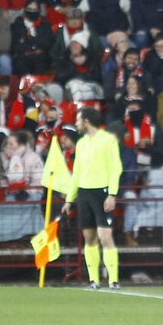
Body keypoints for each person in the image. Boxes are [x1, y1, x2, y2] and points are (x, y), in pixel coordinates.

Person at [66, 108, 124, 290]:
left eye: (78, 120)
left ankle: (113, 280)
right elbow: (77, 173)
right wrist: (70, 198)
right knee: (89, 237)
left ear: (87, 121)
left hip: (102, 192)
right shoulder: (81, 143)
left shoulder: (108, 140)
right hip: (84, 193)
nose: (76, 124)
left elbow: (116, 168)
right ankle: (94, 280)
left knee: (105, 236)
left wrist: (112, 194)